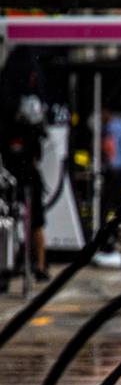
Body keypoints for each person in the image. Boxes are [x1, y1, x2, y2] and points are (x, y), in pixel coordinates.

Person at [2, 95, 48, 280]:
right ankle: (15, 261)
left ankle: (40, 265)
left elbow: (36, 158)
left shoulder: (33, 134)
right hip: (13, 182)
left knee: (36, 223)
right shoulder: (10, 131)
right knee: (8, 222)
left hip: (29, 183)